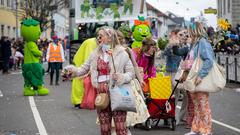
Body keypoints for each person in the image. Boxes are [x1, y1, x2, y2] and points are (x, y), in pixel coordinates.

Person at [63, 26, 135, 135]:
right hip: (101, 93)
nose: (98, 38)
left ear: (109, 38)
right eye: (98, 36)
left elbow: (131, 73)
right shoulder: (95, 54)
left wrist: (121, 77)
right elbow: (83, 69)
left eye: (101, 36)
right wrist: (71, 71)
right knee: (104, 128)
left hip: (117, 91)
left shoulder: (122, 53)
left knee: (120, 128)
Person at [182, 22, 214, 135]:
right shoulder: (195, 43)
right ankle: (196, 128)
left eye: (189, 30)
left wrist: (201, 75)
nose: (188, 33)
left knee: (203, 105)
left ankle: (206, 130)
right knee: (196, 105)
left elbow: (209, 60)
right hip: (192, 78)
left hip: (198, 78)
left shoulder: (203, 42)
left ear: (194, 30)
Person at [71, 38, 97, 108]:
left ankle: (81, 100)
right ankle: (79, 101)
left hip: (83, 63)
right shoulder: (91, 43)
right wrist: (89, 70)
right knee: (81, 82)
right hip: (82, 63)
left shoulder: (96, 43)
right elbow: (88, 58)